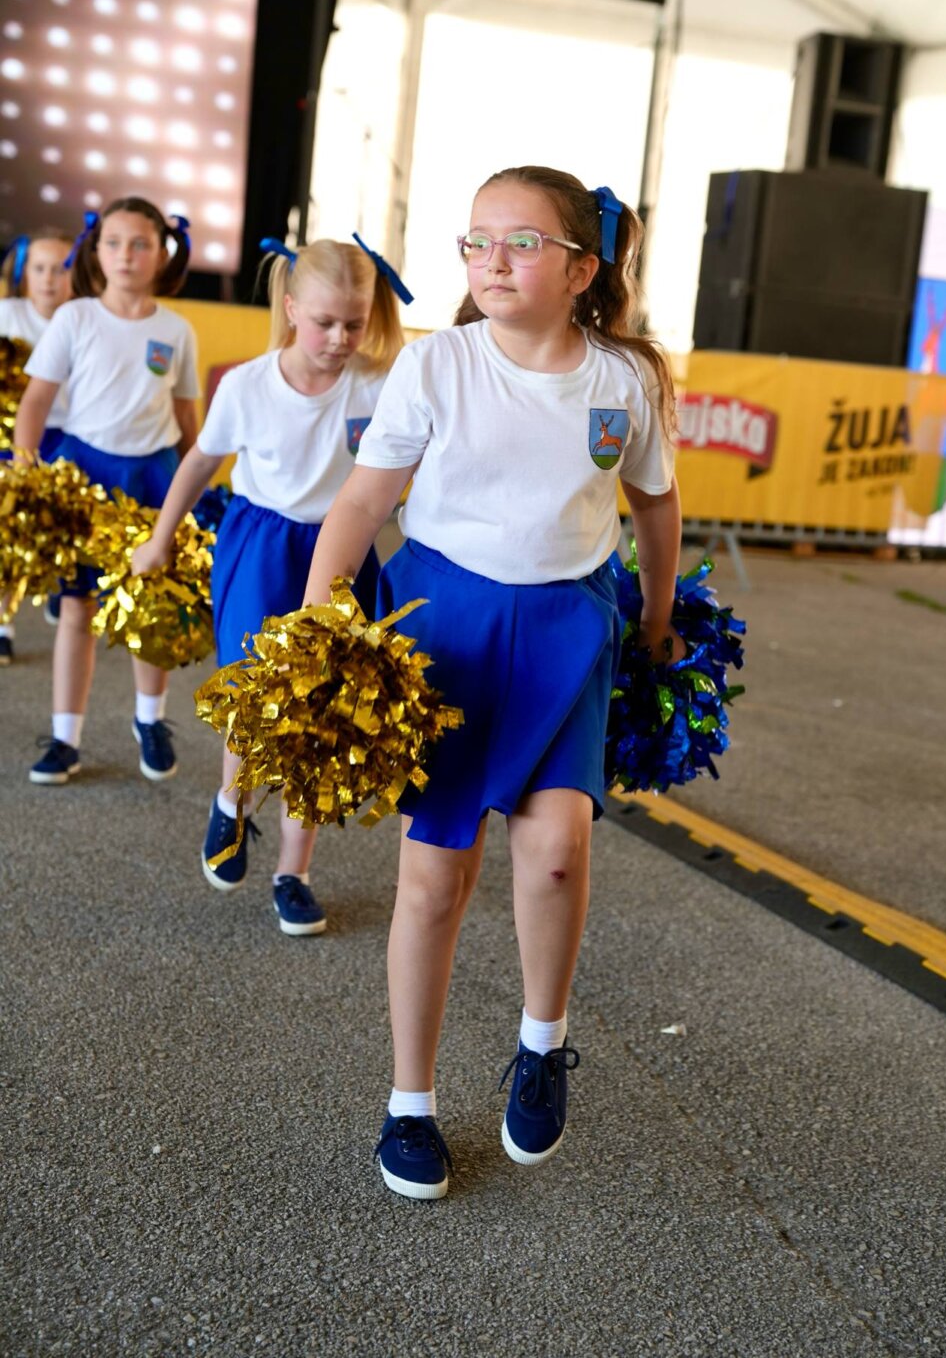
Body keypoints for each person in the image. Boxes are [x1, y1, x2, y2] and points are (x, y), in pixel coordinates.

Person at [304, 165, 684, 1199]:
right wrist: (318, 621)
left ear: (582, 268)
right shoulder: (437, 365)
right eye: (478, 240)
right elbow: (362, 503)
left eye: (522, 242)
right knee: (435, 876)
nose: (493, 260)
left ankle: (541, 1044)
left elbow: (654, 503)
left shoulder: (623, 379)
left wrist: (655, 618)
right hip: (448, 631)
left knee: (556, 853)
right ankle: (409, 1101)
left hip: (569, 629)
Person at [131, 237, 407, 936]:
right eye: (324, 322)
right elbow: (199, 463)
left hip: (341, 552)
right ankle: (231, 799)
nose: (340, 338)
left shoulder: (377, 385)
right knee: (255, 694)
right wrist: (160, 537)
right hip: (261, 547)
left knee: (322, 712)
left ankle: (294, 872)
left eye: (354, 323)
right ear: (290, 309)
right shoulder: (248, 385)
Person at [13, 198, 198, 786]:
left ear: (161, 253)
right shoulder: (75, 318)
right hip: (84, 477)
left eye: (140, 243)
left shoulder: (176, 330)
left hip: (153, 478)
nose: (126, 255)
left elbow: (187, 419)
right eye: (113, 242)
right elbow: (35, 402)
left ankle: (151, 720)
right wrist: (26, 471)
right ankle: (66, 738)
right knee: (76, 607)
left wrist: (195, 492)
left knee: (154, 605)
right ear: (96, 251)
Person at [0, 230, 73, 662]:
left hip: (67, 438)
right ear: (25, 273)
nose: (49, 279)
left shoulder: (82, 318)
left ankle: (61, 589)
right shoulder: (7, 314)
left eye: (60, 270)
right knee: (9, 528)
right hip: (13, 438)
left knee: (62, 525)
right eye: (40, 269)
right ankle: (3, 624)